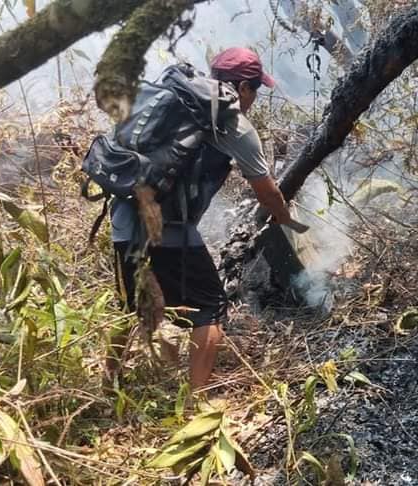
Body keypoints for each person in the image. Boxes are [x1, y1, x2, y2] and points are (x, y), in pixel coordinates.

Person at [107, 47, 298, 393]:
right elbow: (267, 193)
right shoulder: (233, 124)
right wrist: (286, 220)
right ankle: (197, 403)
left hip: (122, 215)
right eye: (254, 88)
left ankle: (109, 386)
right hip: (167, 228)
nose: (254, 97)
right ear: (242, 88)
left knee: (131, 304)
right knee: (209, 305)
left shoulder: (173, 98)